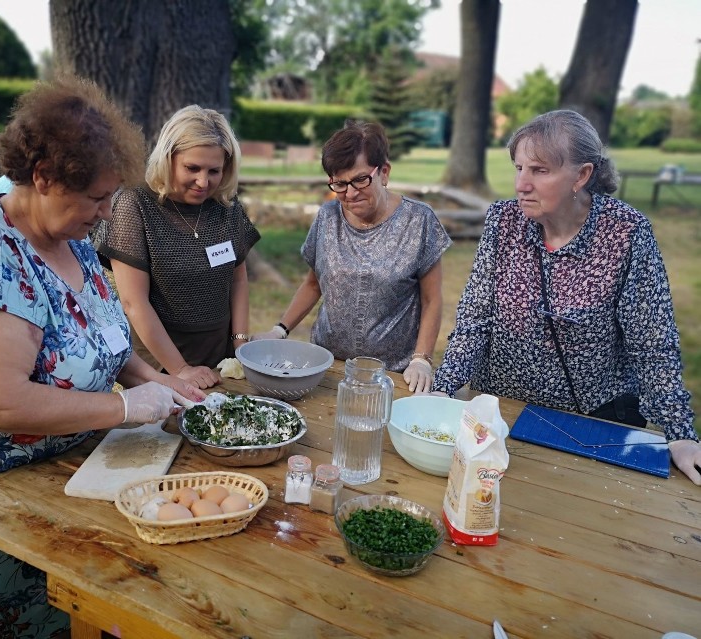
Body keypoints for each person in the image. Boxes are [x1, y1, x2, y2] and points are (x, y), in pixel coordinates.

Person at [0, 77, 205, 639]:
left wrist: (160, 380)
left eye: (111, 196)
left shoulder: (74, 242)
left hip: (56, 477)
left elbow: (104, 340)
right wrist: (123, 409)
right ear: (42, 178)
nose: (106, 211)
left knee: (69, 614)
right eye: (96, 197)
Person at [433, 109, 701, 485]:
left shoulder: (625, 233)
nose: (521, 184)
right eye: (518, 168)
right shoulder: (503, 221)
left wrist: (680, 434)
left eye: (539, 171)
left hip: (591, 426)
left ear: (582, 175)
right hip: (502, 418)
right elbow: (475, 320)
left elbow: (652, 344)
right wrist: (441, 391)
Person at [252, 120, 450, 392]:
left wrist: (422, 359)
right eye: (340, 184)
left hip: (392, 374)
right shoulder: (327, 217)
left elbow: (432, 299)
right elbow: (313, 284)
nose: (350, 193)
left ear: (384, 172)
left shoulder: (418, 220)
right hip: (328, 366)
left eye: (359, 179)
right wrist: (279, 330)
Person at [91, 105, 260, 389]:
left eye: (214, 171)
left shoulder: (226, 207)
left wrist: (240, 346)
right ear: (168, 158)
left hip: (220, 356)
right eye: (192, 168)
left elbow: (238, 279)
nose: (203, 182)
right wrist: (180, 369)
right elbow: (134, 302)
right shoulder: (134, 204)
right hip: (161, 362)